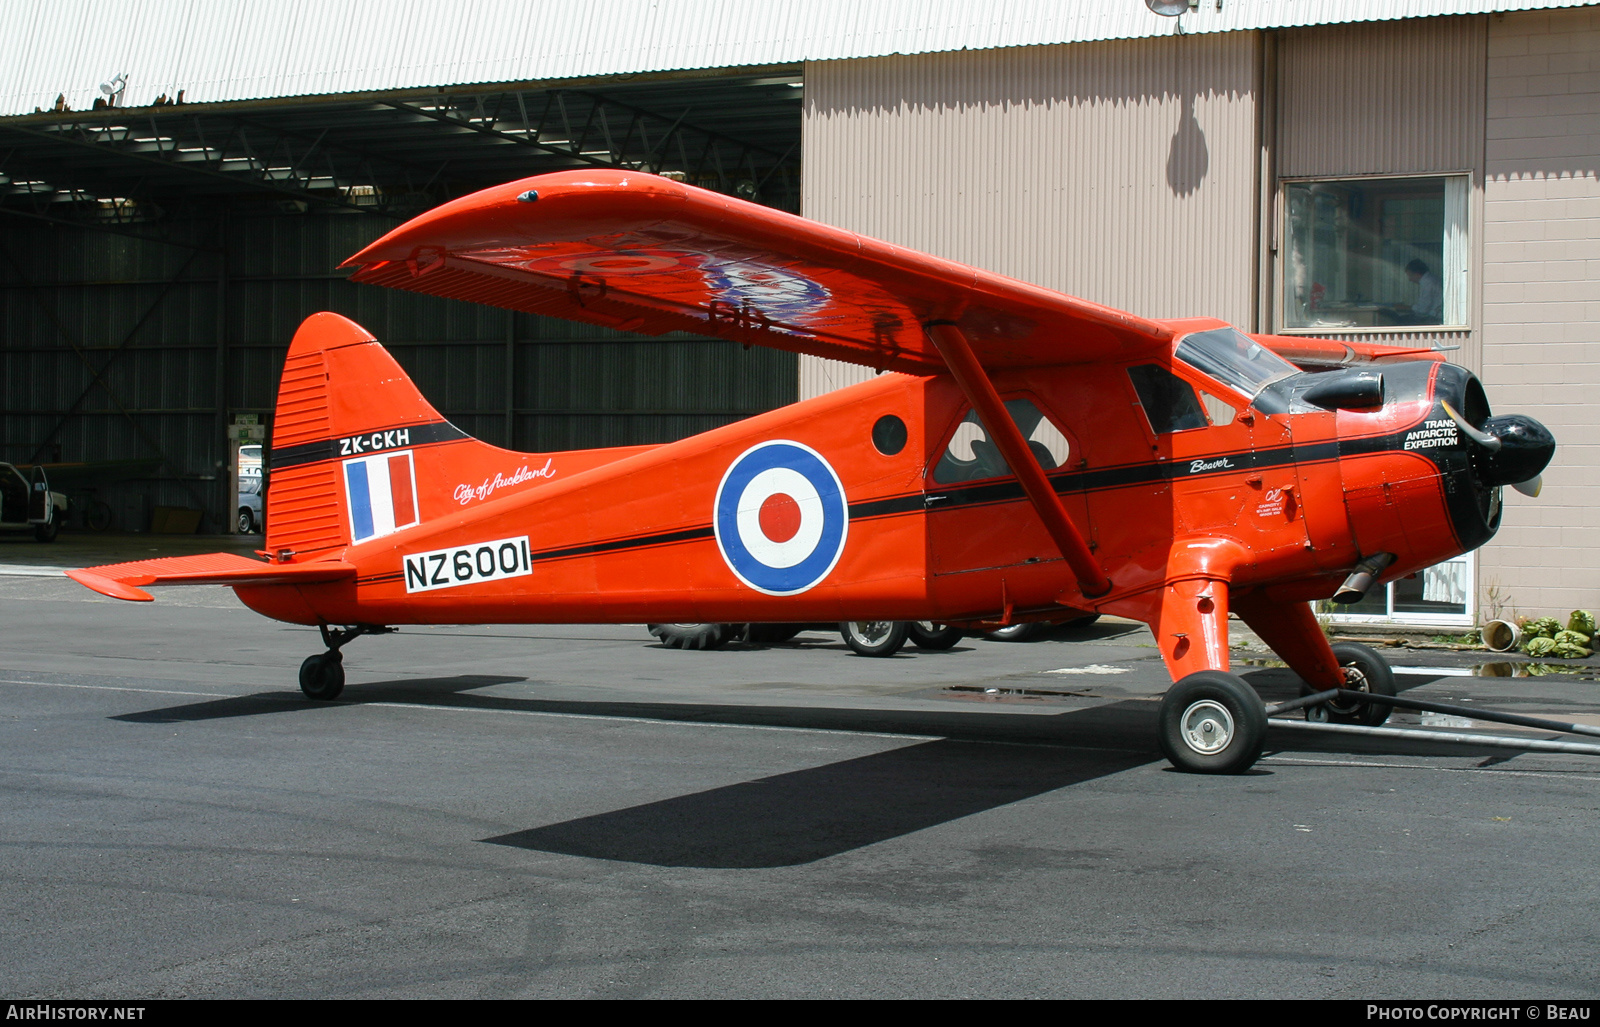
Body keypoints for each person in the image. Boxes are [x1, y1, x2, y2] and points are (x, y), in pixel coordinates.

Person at [1378, 258, 1443, 325]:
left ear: (1417, 274)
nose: (1410, 279)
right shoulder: (1431, 280)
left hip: (1434, 319)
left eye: (1410, 275)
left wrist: (1405, 307)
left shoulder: (1429, 283)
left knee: (1396, 321)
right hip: (1433, 317)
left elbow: (1423, 310)